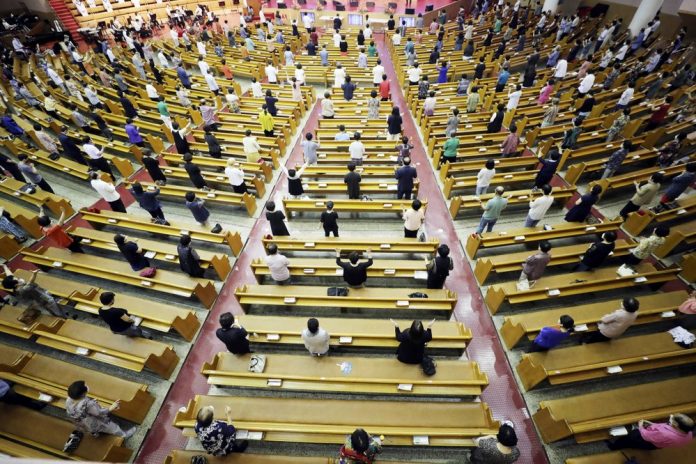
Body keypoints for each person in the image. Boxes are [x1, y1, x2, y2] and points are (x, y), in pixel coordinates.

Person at [66, 381, 135, 438]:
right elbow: (98, 413)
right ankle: (124, 435)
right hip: (95, 422)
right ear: (82, 394)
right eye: (85, 386)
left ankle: (95, 432)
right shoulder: (88, 404)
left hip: (83, 423)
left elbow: (79, 409)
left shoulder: (69, 400)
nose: (86, 386)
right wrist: (111, 407)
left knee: (93, 428)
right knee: (113, 428)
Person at [1, 265, 68, 318]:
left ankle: (62, 313)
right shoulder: (24, 289)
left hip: (40, 296)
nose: (20, 279)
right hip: (44, 301)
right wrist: (34, 274)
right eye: (18, 279)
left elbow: (10, 275)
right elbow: (30, 282)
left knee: (55, 305)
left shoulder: (15, 287)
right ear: (16, 284)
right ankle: (63, 318)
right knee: (55, 309)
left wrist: (4, 266)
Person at [608, 414, 694, 451]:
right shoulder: (689, 434)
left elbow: (645, 436)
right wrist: (653, 425)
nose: (671, 417)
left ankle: (614, 446)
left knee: (629, 439)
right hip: (659, 443)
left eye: (672, 418)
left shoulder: (664, 434)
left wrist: (640, 426)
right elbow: (664, 427)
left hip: (646, 440)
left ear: (676, 425)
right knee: (633, 444)